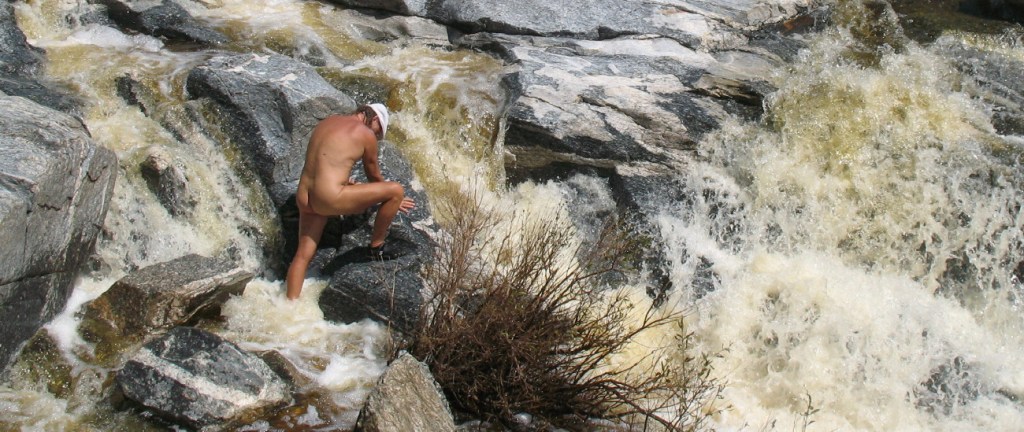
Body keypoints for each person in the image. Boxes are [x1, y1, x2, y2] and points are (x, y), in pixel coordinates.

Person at [286, 103, 415, 300]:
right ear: (374, 119)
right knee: (396, 190)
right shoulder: (364, 133)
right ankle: (376, 247)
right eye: (378, 132)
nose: (376, 137)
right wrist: (394, 199)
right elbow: (373, 175)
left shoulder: (328, 121)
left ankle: (289, 304)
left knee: (302, 256)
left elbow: (325, 161)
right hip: (328, 198)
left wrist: (345, 182)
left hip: (305, 196)